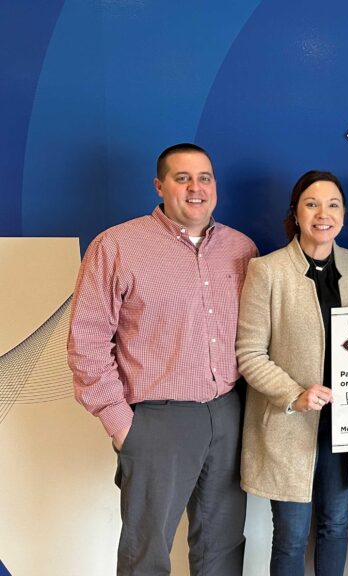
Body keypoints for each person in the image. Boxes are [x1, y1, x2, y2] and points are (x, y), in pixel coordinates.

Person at [67, 143, 257, 575]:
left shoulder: (242, 249)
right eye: (182, 178)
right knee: (146, 553)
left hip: (229, 412)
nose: (196, 188)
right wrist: (121, 425)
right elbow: (87, 340)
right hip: (157, 420)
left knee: (223, 547)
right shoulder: (116, 246)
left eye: (205, 178)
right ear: (159, 185)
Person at [235, 171, 348, 575]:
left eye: (332, 204)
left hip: (343, 430)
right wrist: (294, 393)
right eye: (311, 204)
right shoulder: (267, 271)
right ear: (295, 213)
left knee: (335, 526)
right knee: (291, 537)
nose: (322, 213)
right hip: (290, 424)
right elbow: (249, 353)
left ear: (344, 214)